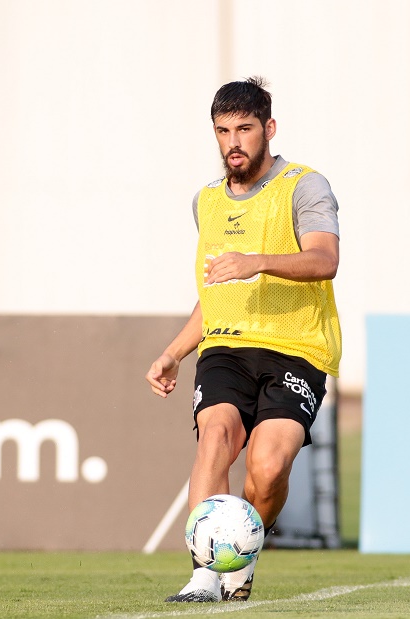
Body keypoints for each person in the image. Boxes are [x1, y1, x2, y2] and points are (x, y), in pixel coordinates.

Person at [145, 77, 342, 603]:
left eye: (245, 129)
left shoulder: (305, 186)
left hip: (297, 348)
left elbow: (326, 260)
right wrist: (172, 352)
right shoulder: (206, 202)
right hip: (226, 347)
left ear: (269, 129)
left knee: (268, 466)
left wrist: (256, 262)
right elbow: (214, 296)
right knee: (216, 437)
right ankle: (203, 575)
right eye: (222, 130)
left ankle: (244, 551)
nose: (233, 141)